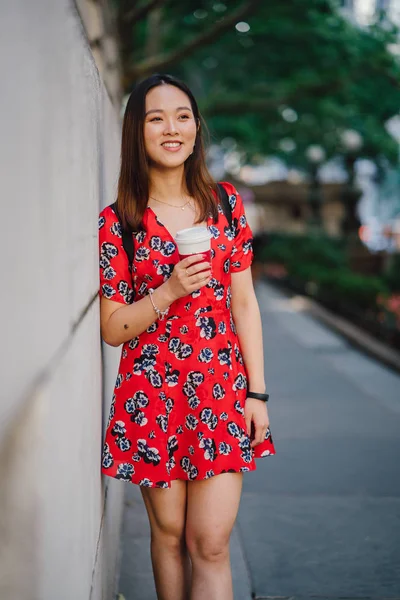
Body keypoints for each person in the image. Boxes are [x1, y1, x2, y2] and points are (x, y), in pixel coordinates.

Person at [98, 73, 276, 600]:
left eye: (182, 116)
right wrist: (170, 289)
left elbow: (244, 301)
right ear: (138, 131)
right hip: (152, 398)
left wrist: (258, 392)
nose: (171, 129)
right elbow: (113, 328)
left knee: (211, 544)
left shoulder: (225, 205)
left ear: (197, 127)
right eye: (156, 118)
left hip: (221, 392)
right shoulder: (120, 223)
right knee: (170, 537)